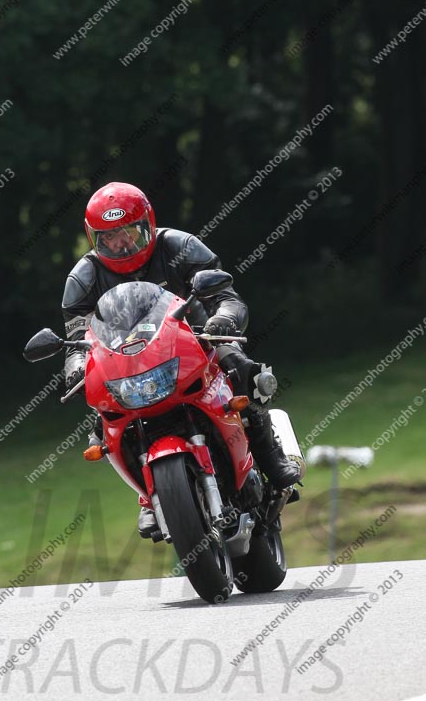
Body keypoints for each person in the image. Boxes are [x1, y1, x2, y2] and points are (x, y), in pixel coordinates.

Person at [61, 181, 300, 537]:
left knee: (238, 367)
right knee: (101, 419)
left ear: (148, 225)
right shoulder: (84, 276)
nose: (122, 243)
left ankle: (270, 456)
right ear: (95, 238)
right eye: (109, 237)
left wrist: (223, 319)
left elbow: (228, 297)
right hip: (127, 360)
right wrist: (75, 367)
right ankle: (147, 496)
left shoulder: (180, 246)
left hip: (196, 338)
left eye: (129, 232)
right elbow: (77, 336)